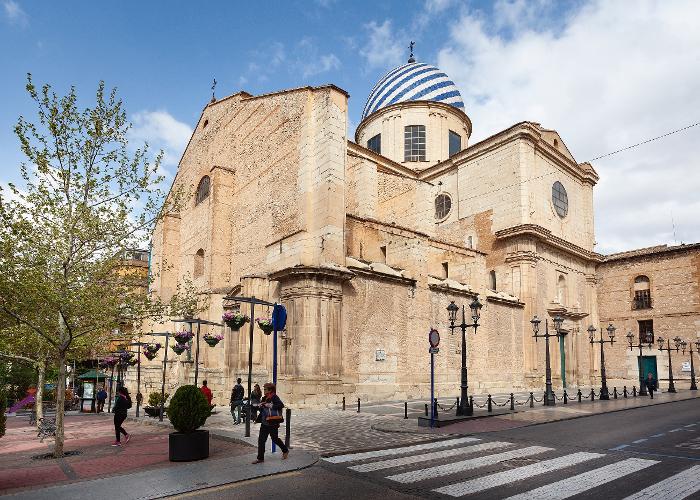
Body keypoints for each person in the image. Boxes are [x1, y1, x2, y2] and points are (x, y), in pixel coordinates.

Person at [252, 383, 289, 464]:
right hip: (265, 423)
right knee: (261, 440)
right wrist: (259, 408)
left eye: (265, 389)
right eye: (264, 389)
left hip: (272, 423)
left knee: (275, 439)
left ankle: (285, 450)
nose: (264, 390)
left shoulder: (274, 397)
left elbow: (280, 405)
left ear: (270, 390)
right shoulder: (264, 398)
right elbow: (263, 411)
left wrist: (269, 405)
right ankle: (260, 458)